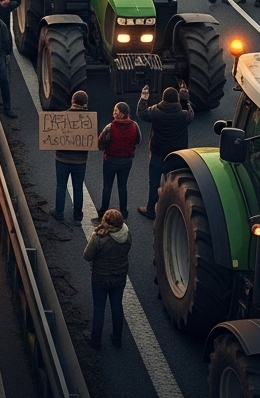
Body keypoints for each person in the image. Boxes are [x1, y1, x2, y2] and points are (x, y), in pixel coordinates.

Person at [136, 85, 194, 219]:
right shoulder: (183, 115)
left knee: (154, 184)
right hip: (176, 156)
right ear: (177, 99)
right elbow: (191, 114)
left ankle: (151, 210)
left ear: (163, 98)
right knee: (175, 185)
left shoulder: (155, 112)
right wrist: (185, 100)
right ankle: (173, 210)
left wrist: (144, 98)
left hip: (158, 154)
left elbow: (141, 113)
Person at [83, 210, 132, 350]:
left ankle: (96, 339)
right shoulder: (126, 233)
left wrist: (94, 234)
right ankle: (117, 338)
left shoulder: (99, 237)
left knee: (99, 307)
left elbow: (87, 256)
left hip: (101, 277)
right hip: (119, 276)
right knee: (117, 306)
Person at [95, 102, 141, 221]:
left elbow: (100, 144)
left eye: (116, 110)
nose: (113, 112)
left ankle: (103, 212)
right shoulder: (134, 125)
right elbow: (138, 140)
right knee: (122, 186)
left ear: (120, 114)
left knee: (107, 186)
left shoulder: (110, 127)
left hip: (111, 160)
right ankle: (124, 212)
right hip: (127, 161)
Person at [53, 91, 90, 223]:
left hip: (62, 159)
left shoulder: (62, 117)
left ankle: (59, 213)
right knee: (78, 188)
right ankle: (77, 217)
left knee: (61, 186)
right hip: (80, 161)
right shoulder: (90, 120)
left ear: (72, 102)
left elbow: (54, 137)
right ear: (85, 103)